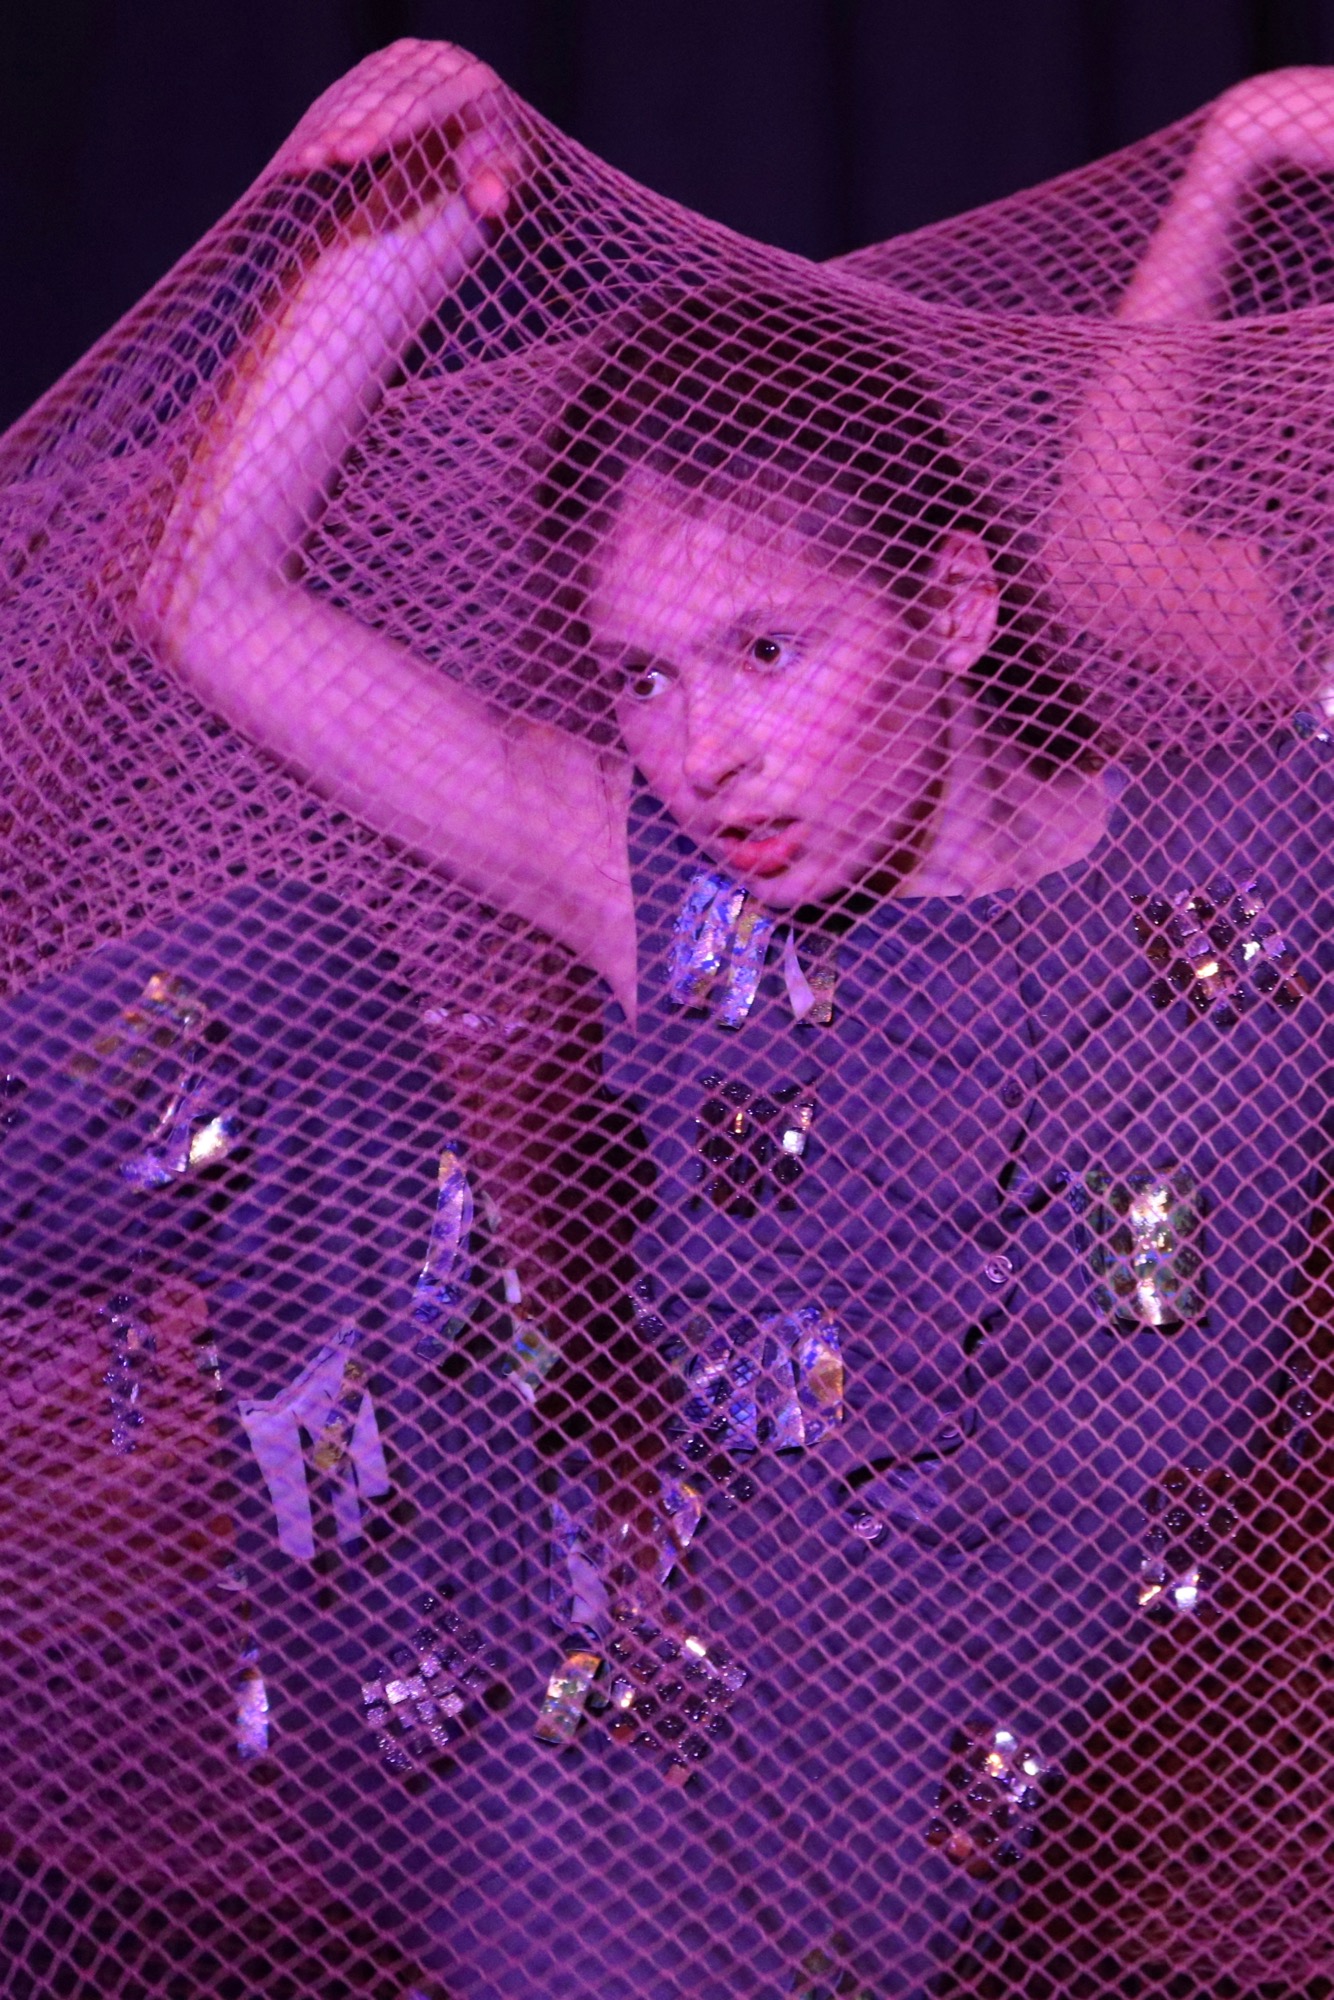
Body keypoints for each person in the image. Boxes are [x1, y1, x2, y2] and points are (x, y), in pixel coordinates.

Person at [111, 39, 1334, 2000]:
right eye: (644, 677)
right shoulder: (659, 895)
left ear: (950, 610)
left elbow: (1115, 563)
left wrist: (1238, 158)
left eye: (765, 648)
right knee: (265, 991)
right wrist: (407, 229)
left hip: (792, 1897)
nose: (702, 753)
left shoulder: (1270, 856)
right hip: (511, 1709)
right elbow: (203, 595)